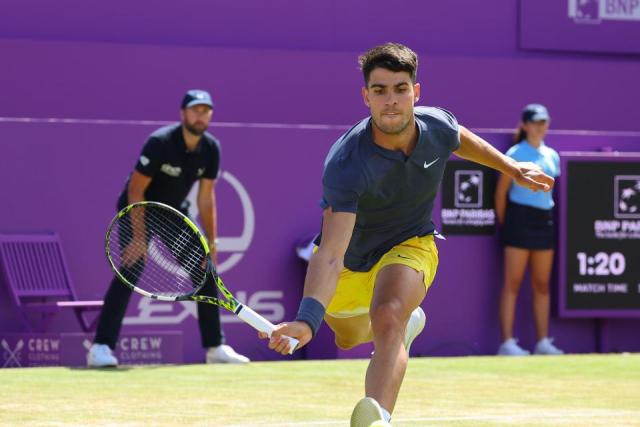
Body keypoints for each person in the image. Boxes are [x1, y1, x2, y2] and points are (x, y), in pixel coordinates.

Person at [259, 43, 554, 426]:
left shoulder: (436, 126)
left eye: (401, 88)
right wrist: (307, 320)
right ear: (366, 97)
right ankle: (402, 327)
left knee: (388, 315)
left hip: (411, 241)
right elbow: (331, 252)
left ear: (416, 92)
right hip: (353, 256)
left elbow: (458, 137)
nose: (391, 100)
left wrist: (512, 168)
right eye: (380, 90)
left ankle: (378, 417)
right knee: (349, 337)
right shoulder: (346, 163)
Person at [86, 90, 250, 367]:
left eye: (206, 110)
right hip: (138, 208)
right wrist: (139, 238)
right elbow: (135, 190)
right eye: (195, 109)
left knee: (204, 269)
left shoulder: (211, 148)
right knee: (131, 270)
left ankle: (214, 347)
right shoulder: (160, 142)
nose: (201, 115)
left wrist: (212, 241)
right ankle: (100, 348)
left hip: (174, 212)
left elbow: (206, 198)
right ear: (183, 114)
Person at [494, 104, 563, 356]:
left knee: (542, 284)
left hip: (544, 220)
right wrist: (509, 223)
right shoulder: (514, 152)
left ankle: (543, 342)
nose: (539, 126)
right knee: (512, 283)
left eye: (543, 121)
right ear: (524, 125)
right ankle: (507, 343)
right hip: (518, 219)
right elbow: (501, 194)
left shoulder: (552, 156)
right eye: (534, 122)